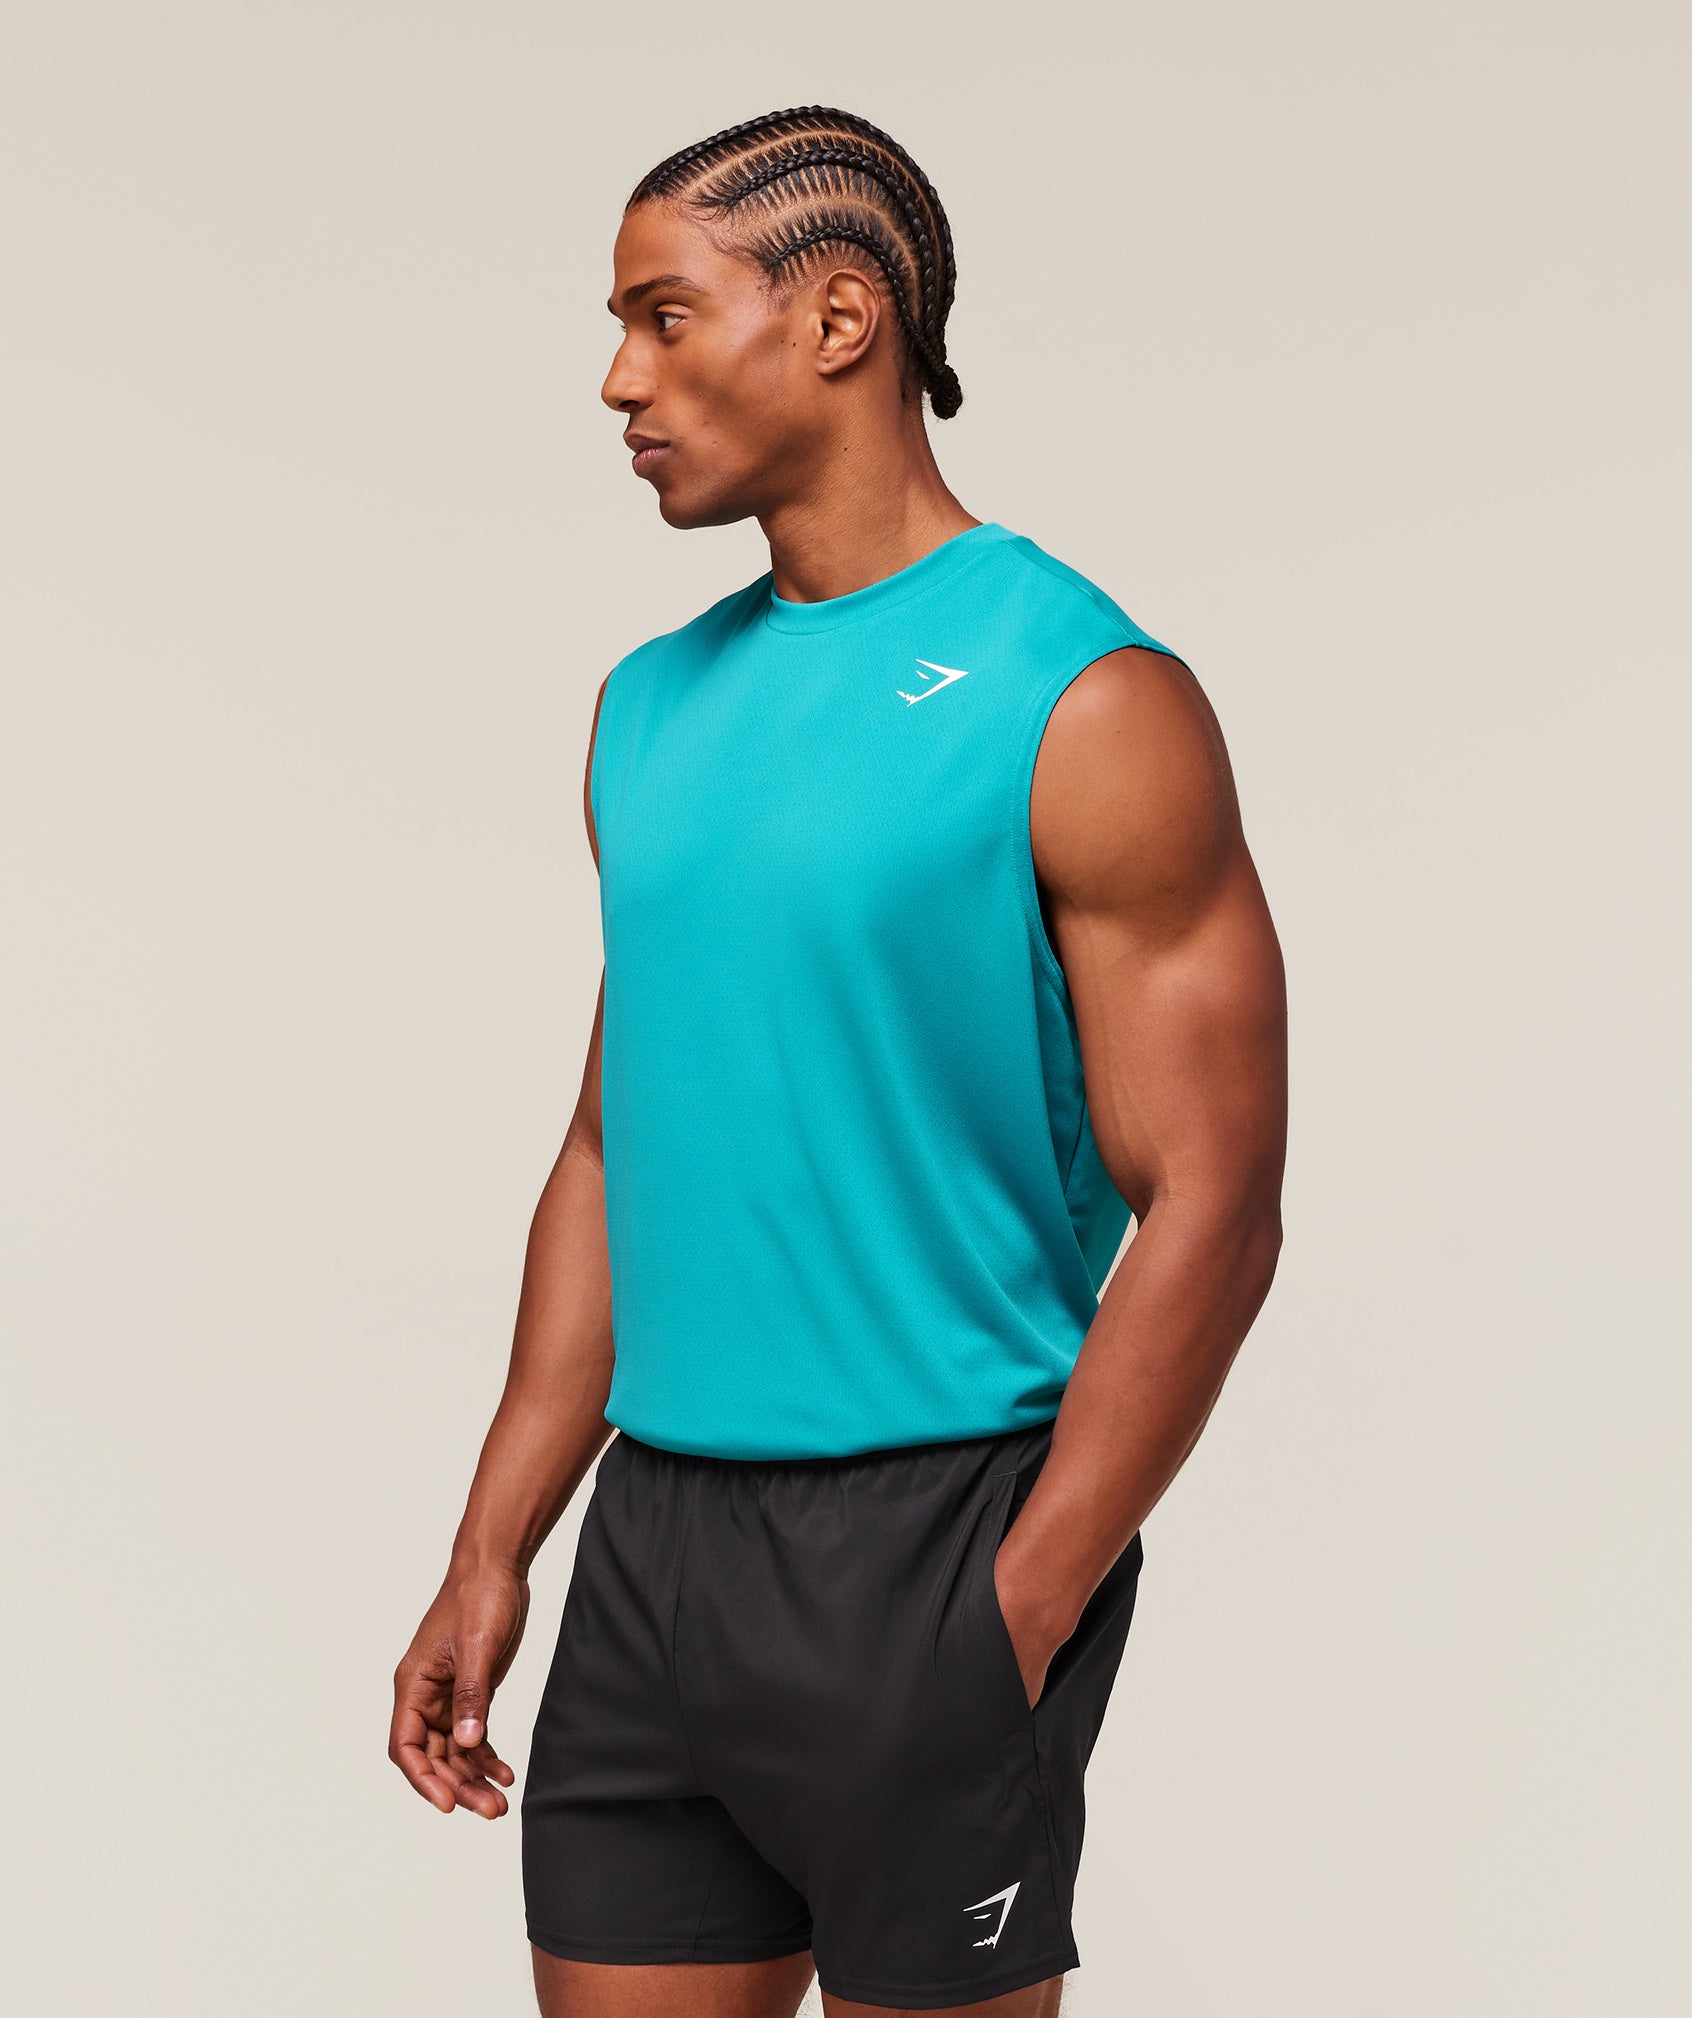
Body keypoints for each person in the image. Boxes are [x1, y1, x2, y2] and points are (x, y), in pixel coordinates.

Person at [389, 105, 1287, 2018]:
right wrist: (493, 1546)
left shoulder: (1085, 695)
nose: (618, 380)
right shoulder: (647, 708)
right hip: (654, 1548)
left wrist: (1023, 1599)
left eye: (662, 315)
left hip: (934, 1530)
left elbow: (1214, 1195)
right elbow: (612, 1150)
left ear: (838, 317)